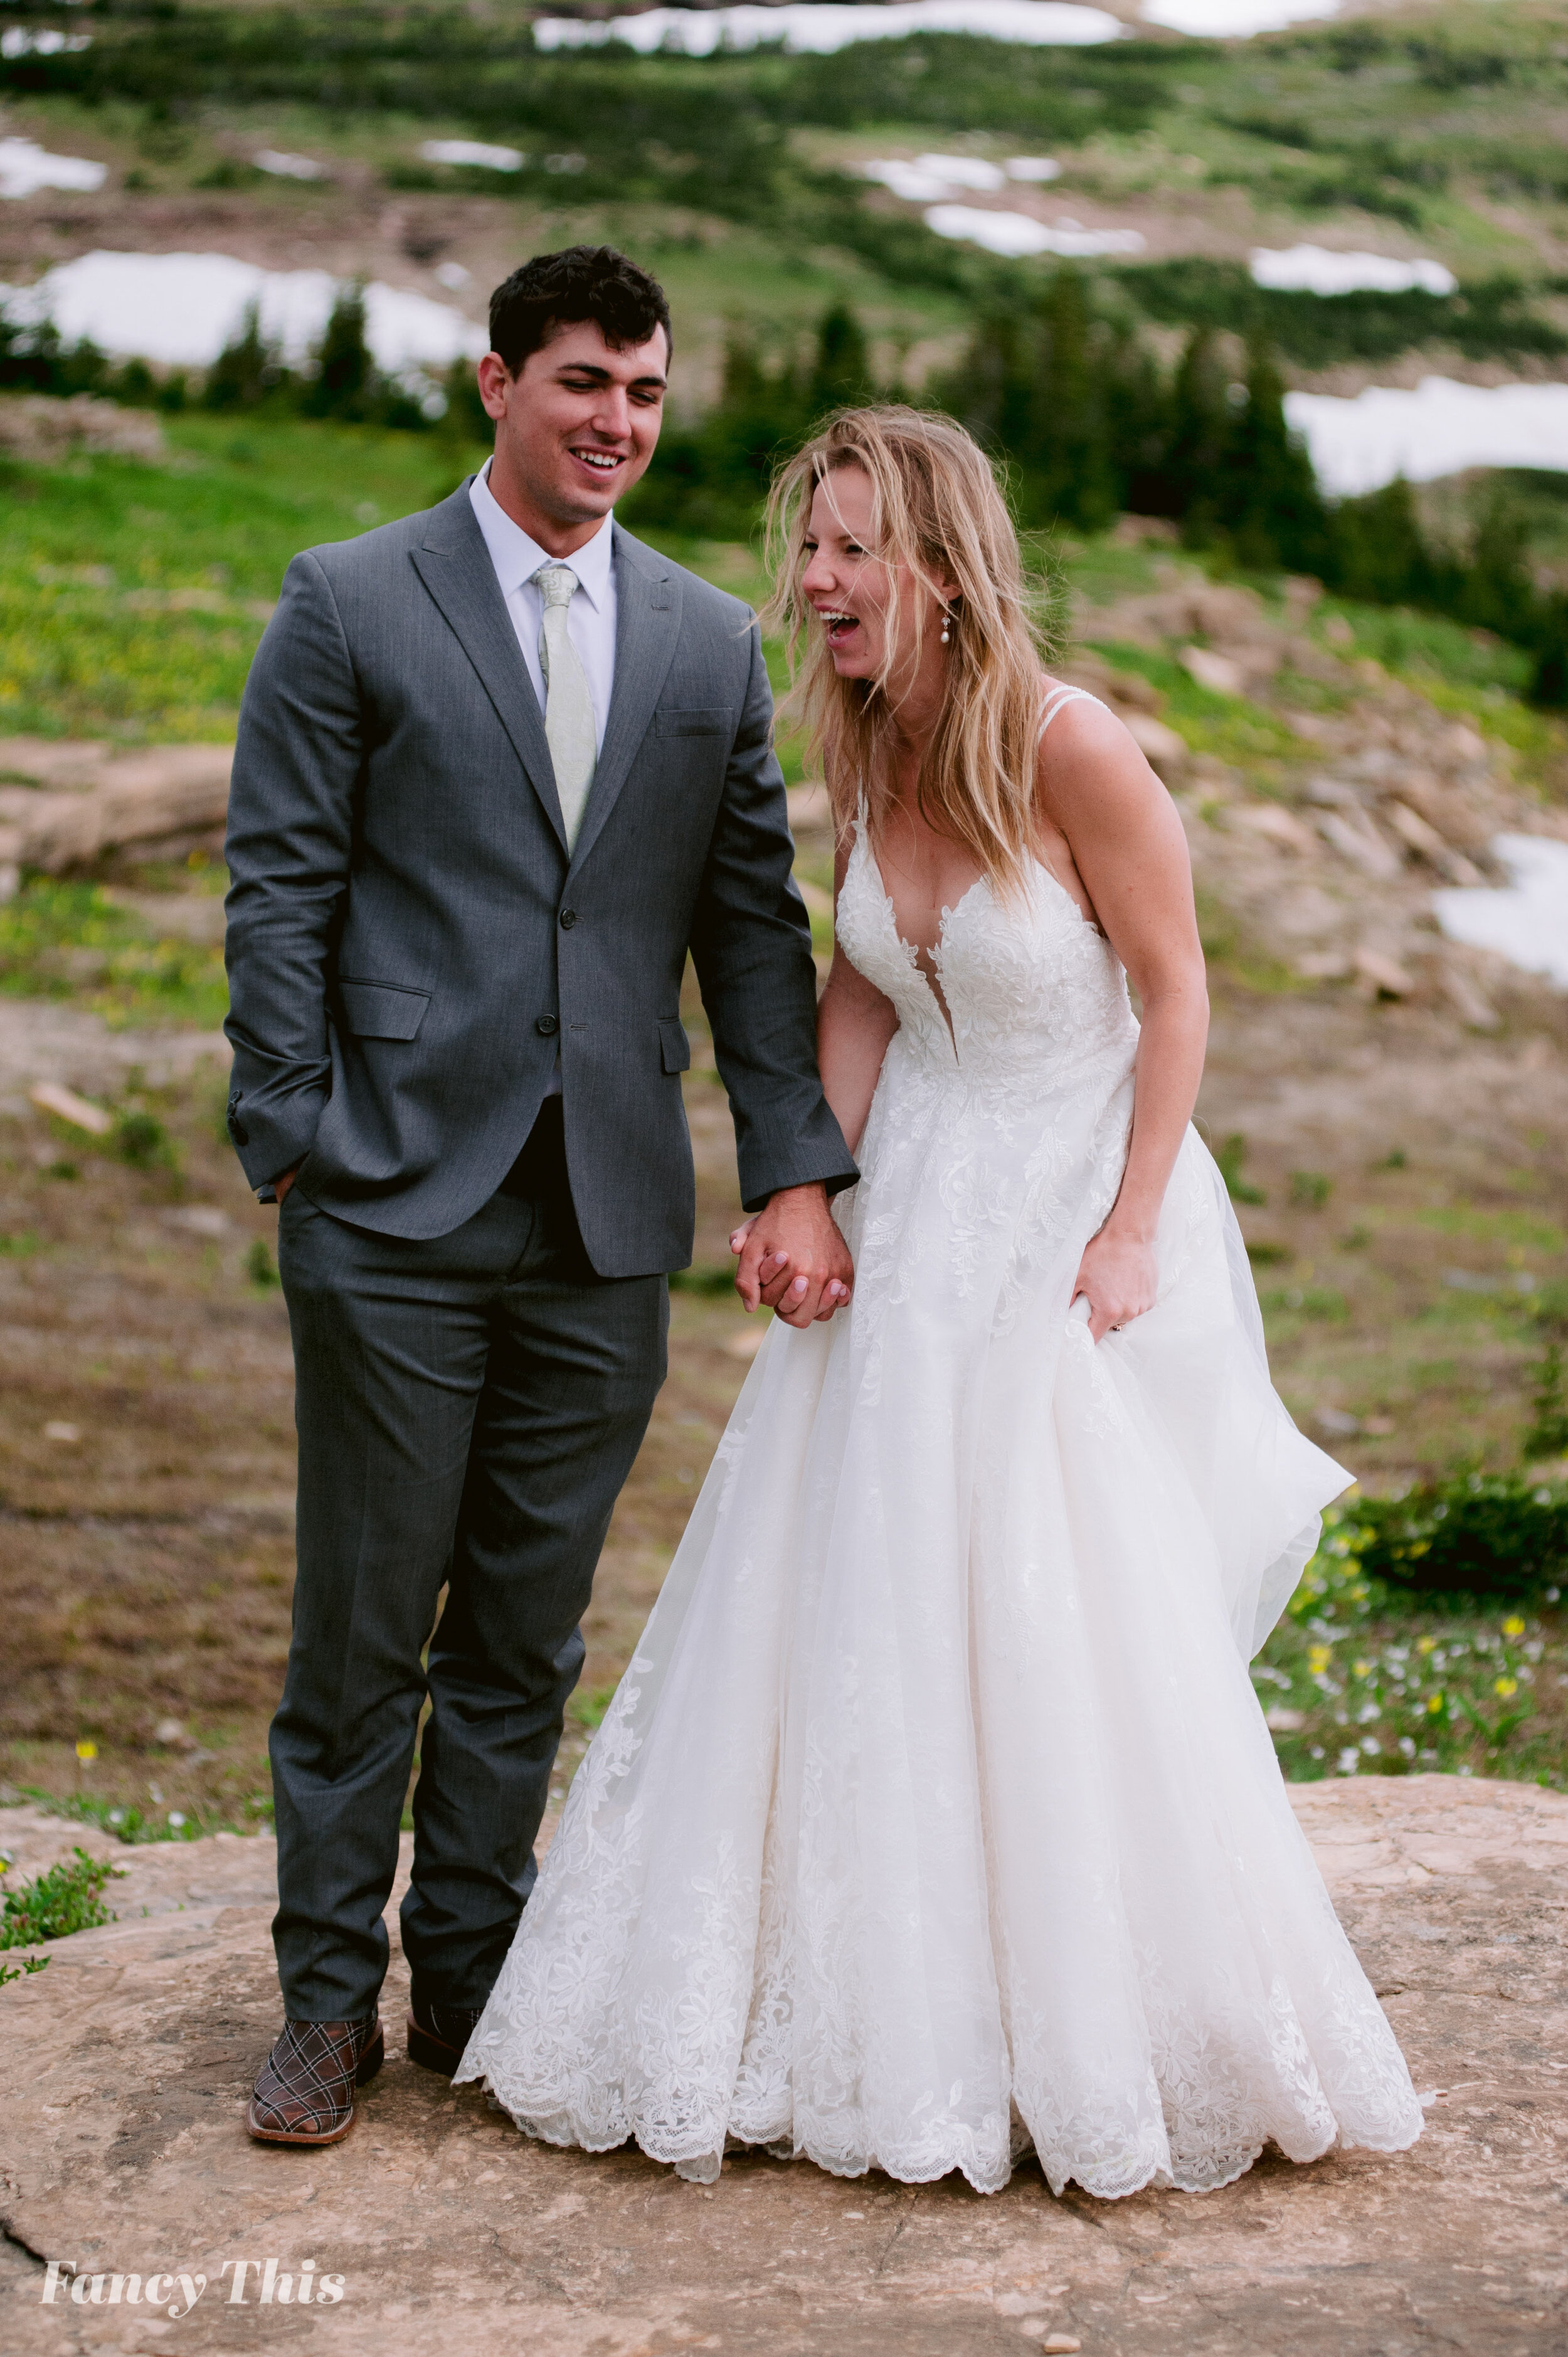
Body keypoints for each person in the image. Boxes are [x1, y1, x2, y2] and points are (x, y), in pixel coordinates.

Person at [457, 406, 1424, 2198]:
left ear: (939, 563)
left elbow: (1177, 992)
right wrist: (806, 1187)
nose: (812, 581)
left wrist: (1128, 1230)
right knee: (859, 1582)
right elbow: (866, 981)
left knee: (1049, 1595)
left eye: (847, 550)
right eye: (805, 548)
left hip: (1063, 1200)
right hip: (917, 1203)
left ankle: (1086, 2023)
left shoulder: (1070, 745)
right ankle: (856, 2003)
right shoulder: (871, 740)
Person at [224, 245, 857, 2147]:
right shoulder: (347, 601)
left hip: (606, 1215)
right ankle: (325, 2006)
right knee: (359, 1630)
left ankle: (470, 1991)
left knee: (525, 1630)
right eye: (584, 381)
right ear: (492, 383)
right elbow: (279, 888)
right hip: (389, 1203)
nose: (617, 423)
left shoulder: (698, 640)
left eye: (647, 393)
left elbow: (749, 931)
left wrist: (797, 1165)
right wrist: (294, 1138)